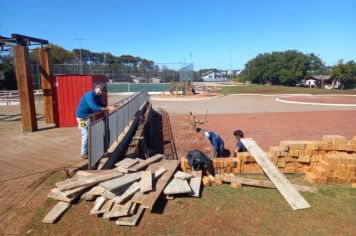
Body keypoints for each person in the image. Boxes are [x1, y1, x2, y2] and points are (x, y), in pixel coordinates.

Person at [76, 83, 118, 159]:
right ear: (96, 88)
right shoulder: (89, 96)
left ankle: (89, 150)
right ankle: (83, 153)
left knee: (90, 134)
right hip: (82, 118)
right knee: (85, 135)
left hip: (89, 117)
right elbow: (94, 108)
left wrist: (109, 106)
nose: (101, 92)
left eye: (102, 91)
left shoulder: (97, 96)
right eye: (100, 90)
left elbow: (100, 104)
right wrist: (108, 109)